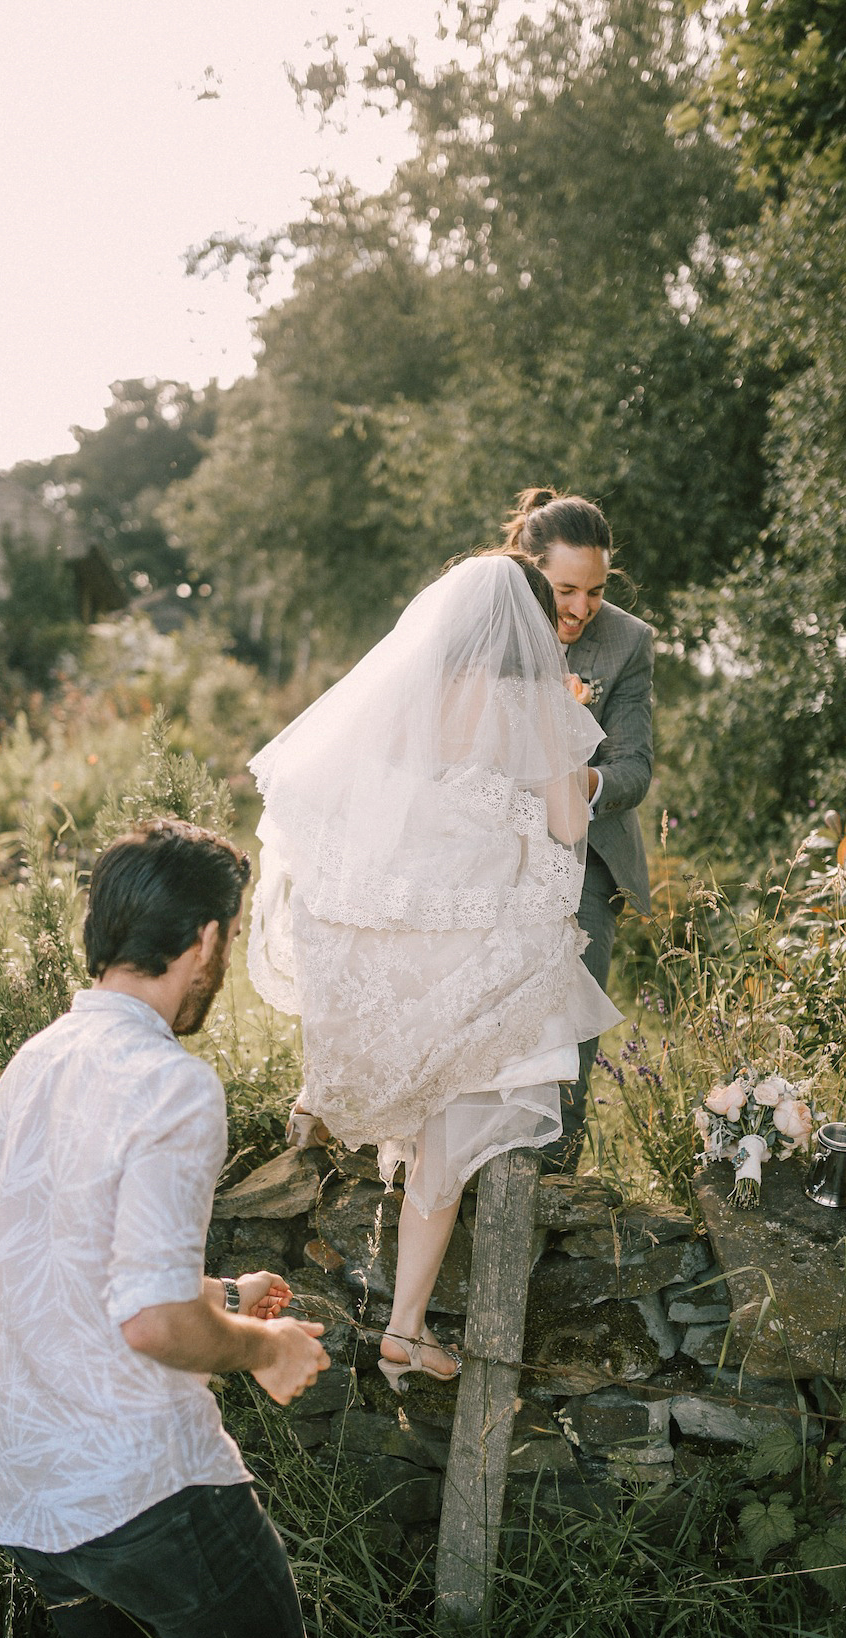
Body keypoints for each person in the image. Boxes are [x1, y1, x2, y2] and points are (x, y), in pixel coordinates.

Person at [0, 819, 329, 1638]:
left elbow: (72, 1273)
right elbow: (148, 1324)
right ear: (207, 941)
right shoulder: (173, 1083)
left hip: (26, 1489)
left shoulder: (31, 1062)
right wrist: (262, 1345)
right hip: (139, 1488)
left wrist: (219, 1293)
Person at [248, 555, 620, 1386]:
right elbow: (566, 820)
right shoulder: (534, 704)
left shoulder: (412, 691)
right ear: (527, 625)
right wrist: (565, 769)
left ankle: (404, 1325)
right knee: (446, 1151)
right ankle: (405, 1329)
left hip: (405, 943)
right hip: (483, 949)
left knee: (428, 1135)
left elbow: (360, 805)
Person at [501, 488, 654, 1169]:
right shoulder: (492, 621)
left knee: (568, 1027)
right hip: (488, 844)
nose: (580, 609)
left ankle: (558, 1177)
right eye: (565, 589)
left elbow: (633, 769)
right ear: (534, 570)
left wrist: (571, 776)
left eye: (595, 591)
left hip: (584, 854)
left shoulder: (628, 642)